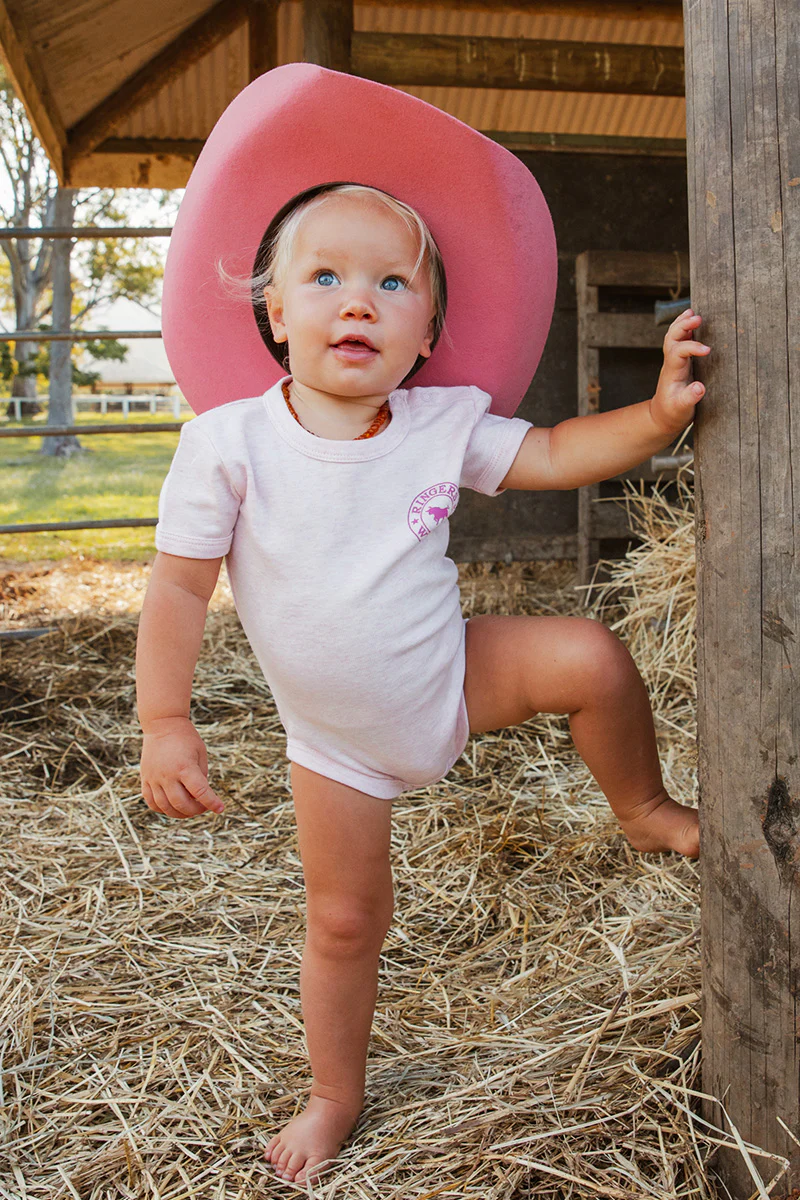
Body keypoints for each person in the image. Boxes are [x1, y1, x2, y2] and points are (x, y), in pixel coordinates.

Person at [136, 65, 708, 1187]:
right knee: (346, 922)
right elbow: (178, 588)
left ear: (427, 329)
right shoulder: (227, 446)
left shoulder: (441, 421)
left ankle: (642, 809)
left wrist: (655, 414)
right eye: (326, 277)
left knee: (591, 656)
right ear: (272, 310)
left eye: (391, 283)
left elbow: (554, 455)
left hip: (449, 678)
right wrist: (165, 719)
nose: (358, 302)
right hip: (335, 748)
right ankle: (333, 1094)